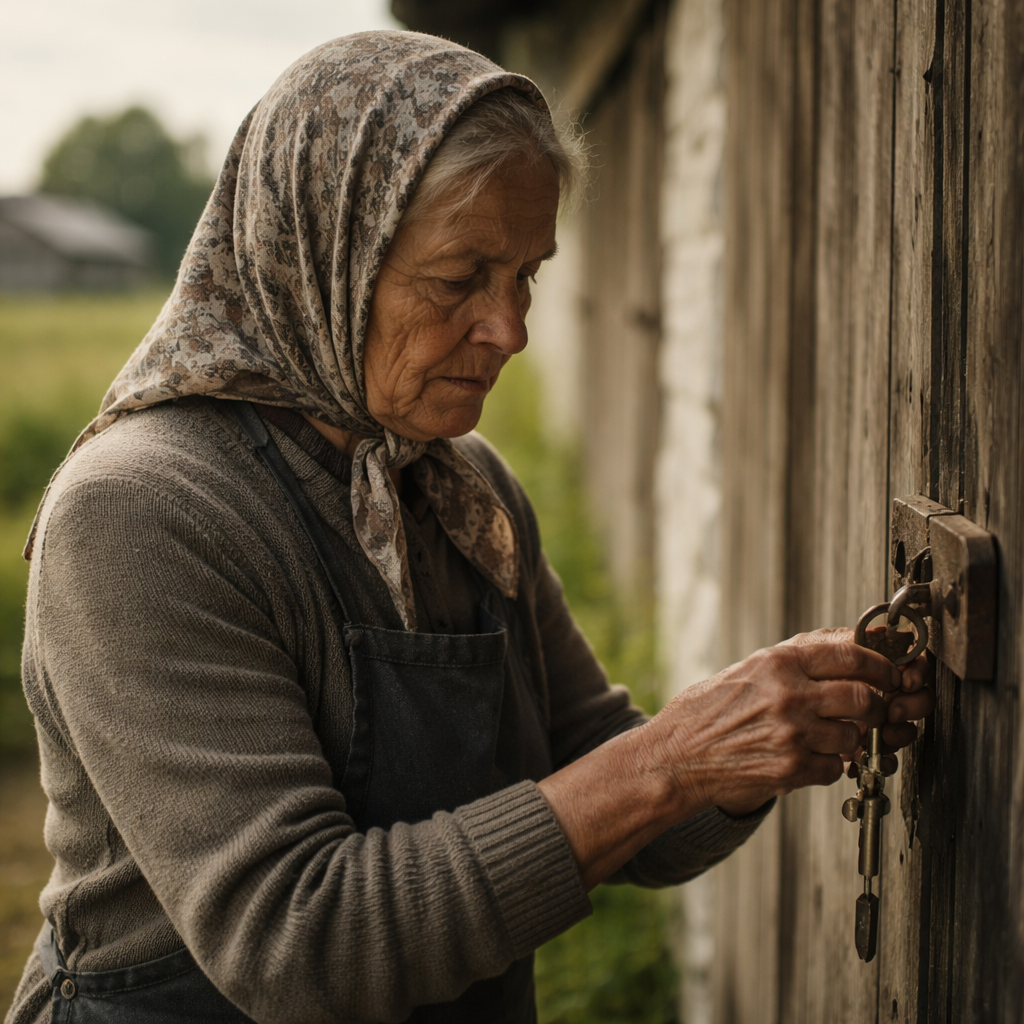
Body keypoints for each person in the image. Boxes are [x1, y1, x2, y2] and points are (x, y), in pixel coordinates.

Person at [7, 30, 934, 1024]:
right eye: (460, 278)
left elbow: (606, 787)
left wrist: (762, 732)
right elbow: (296, 940)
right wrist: (666, 762)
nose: (510, 328)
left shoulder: (460, 492)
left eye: (527, 274)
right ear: (324, 255)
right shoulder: (145, 514)